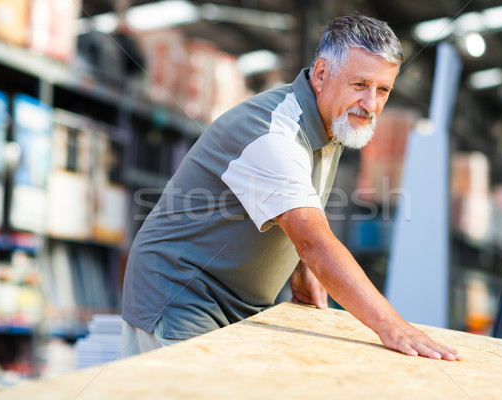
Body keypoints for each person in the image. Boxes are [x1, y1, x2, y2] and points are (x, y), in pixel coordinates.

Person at [121, 14, 462, 361]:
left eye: (383, 89)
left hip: (236, 303)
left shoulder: (334, 122)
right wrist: (393, 325)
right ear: (320, 75)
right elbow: (314, 241)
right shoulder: (274, 135)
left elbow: (289, 209)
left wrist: (300, 267)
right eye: (360, 84)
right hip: (181, 298)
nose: (371, 104)